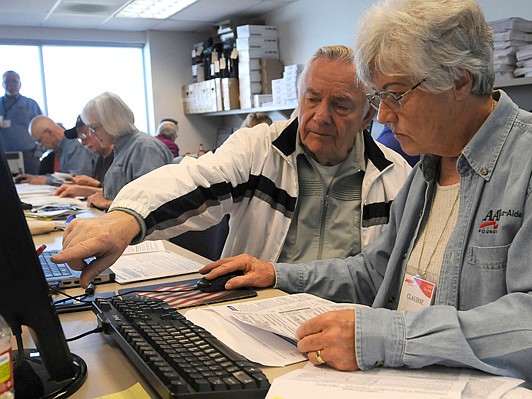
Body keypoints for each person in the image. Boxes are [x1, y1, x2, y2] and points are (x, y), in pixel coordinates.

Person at [195, 1, 532, 397]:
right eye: (377, 99)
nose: (384, 117)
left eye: (396, 95)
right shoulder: (427, 169)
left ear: (459, 80)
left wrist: (387, 337)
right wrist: (278, 275)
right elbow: (375, 273)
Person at [52, 44, 412, 286]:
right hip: (257, 313)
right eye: (312, 99)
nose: (320, 116)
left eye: (341, 105)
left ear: (369, 115)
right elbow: (195, 177)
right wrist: (126, 219)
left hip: (346, 330)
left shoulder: (398, 178)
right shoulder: (260, 148)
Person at [78, 92, 173, 210]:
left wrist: (107, 203)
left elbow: (152, 204)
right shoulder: (122, 149)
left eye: (94, 128)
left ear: (112, 122)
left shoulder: (144, 148)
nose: (91, 134)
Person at [16, 115, 95, 185]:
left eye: (39, 141)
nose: (41, 146)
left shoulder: (74, 146)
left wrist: (46, 180)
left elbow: (80, 179)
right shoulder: (62, 148)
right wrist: (37, 178)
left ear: (48, 132)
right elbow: (64, 176)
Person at [54, 115, 114, 198]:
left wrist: (93, 185)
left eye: (83, 135)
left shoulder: (120, 157)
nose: (83, 143)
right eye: (80, 139)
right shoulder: (100, 159)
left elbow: (123, 195)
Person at [0, 70, 43, 174]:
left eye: (14, 81)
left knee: (33, 188)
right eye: (7, 81)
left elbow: (43, 128)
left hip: (29, 158)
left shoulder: (31, 104)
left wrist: (38, 152)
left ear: (20, 84)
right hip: (3, 159)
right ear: (2, 84)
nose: (11, 84)